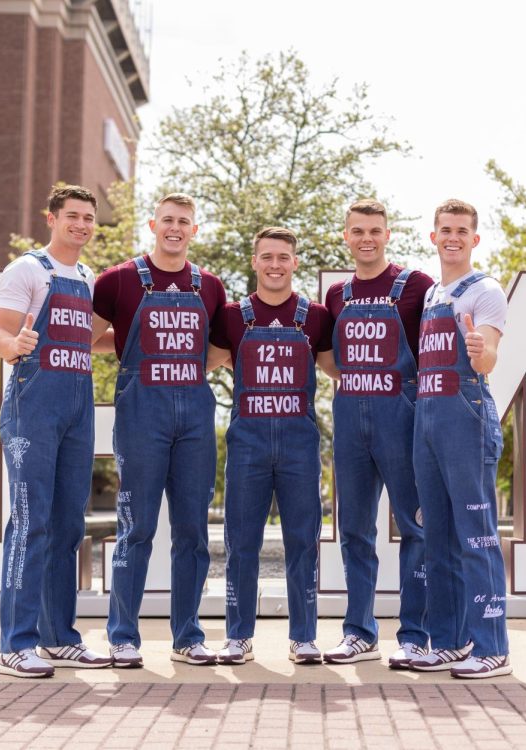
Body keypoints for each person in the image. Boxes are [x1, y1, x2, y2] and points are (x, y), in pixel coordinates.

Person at [91, 193, 228, 667]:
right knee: (137, 528)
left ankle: (188, 635)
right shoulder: (118, 280)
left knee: (192, 531)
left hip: (194, 415)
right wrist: (136, 355)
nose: (174, 228)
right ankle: (123, 636)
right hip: (141, 414)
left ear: (194, 229)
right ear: (153, 224)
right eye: (167, 220)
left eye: (183, 222)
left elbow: (219, 348)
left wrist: (185, 369)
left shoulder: (210, 285)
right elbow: (86, 339)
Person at [0, 185, 112, 677]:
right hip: (32, 409)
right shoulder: (27, 270)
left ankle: (59, 637)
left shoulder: (88, 277)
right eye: (72, 217)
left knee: (68, 526)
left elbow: (91, 341)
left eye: (88, 218)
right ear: (52, 218)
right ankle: (14, 645)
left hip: (78, 410)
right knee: (29, 523)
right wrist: (12, 343)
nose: (81, 225)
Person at [207, 227, 334, 666]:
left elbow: (341, 369)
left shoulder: (315, 317)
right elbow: (198, 362)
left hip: (299, 443)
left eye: (283, 257)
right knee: (241, 542)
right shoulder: (230, 316)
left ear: (294, 262)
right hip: (247, 443)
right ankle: (238, 637)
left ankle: (303, 637)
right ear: (255, 261)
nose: (275, 264)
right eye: (267, 257)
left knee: (303, 540)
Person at [321, 199, 434, 667]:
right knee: (354, 530)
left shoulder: (417, 286)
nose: (366, 238)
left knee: (415, 528)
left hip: (401, 419)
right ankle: (359, 633)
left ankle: (415, 635)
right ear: (346, 236)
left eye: (375, 230)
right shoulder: (337, 296)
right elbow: (328, 360)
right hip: (350, 421)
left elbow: (433, 351)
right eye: (357, 231)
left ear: (388, 234)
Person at [409, 199, 512, 679]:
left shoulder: (484, 290)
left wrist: (480, 351)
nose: (452, 237)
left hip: (465, 416)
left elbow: (488, 355)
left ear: (475, 239)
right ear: (433, 237)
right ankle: (449, 641)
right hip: (427, 419)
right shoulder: (433, 295)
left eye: (462, 230)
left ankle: (492, 647)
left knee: (478, 536)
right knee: (439, 539)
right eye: (445, 229)